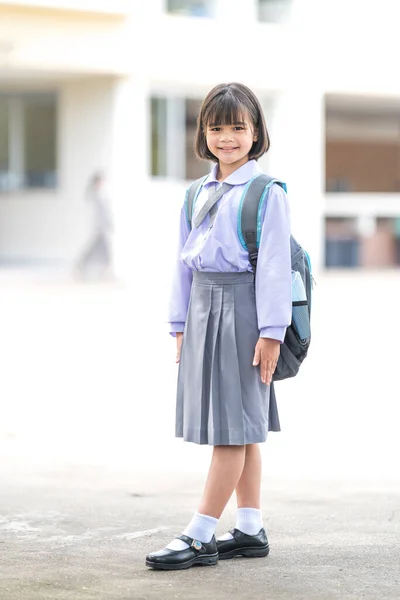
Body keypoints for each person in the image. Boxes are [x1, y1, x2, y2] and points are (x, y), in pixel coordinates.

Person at [146, 83, 292, 570]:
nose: (226, 137)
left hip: (245, 312)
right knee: (241, 425)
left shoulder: (265, 192)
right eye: (216, 127)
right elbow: (181, 266)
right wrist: (180, 323)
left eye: (237, 127)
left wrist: (272, 331)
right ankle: (249, 528)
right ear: (203, 133)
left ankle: (199, 534)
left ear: (256, 133)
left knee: (230, 429)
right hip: (203, 308)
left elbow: (273, 266)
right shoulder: (196, 193)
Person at [75, 171, 114, 281]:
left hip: (102, 228)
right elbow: (100, 214)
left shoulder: (99, 195)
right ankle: (103, 271)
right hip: (100, 228)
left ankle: (105, 271)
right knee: (98, 250)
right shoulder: (96, 196)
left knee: (101, 250)